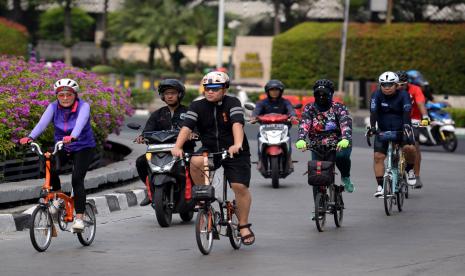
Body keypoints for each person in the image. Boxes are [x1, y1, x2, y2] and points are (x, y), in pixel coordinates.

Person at [171, 71, 255, 246]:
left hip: (235, 150)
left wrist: (237, 144)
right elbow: (187, 127)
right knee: (194, 160)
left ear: (224, 89)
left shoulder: (233, 102)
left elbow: (237, 124)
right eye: (207, 88)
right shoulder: (197, 106)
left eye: (215, 89)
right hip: (210, 148)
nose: (210, 92)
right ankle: (204, 197)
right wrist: (177, 146)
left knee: (239, 186)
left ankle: (243, 224)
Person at [20, 78, 96, 231]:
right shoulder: (53, 107)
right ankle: (58, 196)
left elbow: (81, 122)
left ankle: (79, 219)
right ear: (57, 96)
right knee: (48, 163)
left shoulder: (84, 106)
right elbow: (42, 123)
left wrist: (73, 136)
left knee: (77, 180)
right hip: (61, 145)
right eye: (61, 95)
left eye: (69, 95)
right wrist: (30, 137)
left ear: (75, 95)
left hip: (83, 147)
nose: (65, 98)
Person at [135, 79, 195, 206]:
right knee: (141, 162)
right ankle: (150, 190)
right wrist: (142, 137)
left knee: (195, 164)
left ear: (179, 94)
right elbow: (147, 131)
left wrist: (194, 134)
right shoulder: (157, 114)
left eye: (173, 93)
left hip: (184, 150)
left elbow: (197, 129)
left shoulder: (189, 112)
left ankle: (196, 194)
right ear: (162, 96)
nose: (169, 96)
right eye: (166, 93)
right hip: (160, 151)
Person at [295, 79, 355, 196]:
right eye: (318, 94)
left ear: (331, 94)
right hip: (317, 143)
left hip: (338, 142)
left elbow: (345, 123)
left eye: (324, 94)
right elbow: (304, 123)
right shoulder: (309, 108)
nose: (321, 97)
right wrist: (301, 139)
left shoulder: (338, 107)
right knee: (316, 175)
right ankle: (317, 210)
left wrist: (345, 138)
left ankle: (345, 176)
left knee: (342, 156)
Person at [367, 71, 417, 197]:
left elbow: (407, 111)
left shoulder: (404, 95)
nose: (387, 87)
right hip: (383, 130)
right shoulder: (376, 95)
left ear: (396, 85)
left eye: (390, 84)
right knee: (378, 156)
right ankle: (380, 186)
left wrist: (406, 126)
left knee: (409, 148)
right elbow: (373, 112)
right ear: (380, 86)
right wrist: (373, 127)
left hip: (402, 128)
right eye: (384, 85)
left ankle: (410, 169)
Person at [250, 79, 298, 169]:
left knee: (288, 138)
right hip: (266, 127)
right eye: (272, 90)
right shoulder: (262, 102)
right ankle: (260, 159)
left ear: (281, 91)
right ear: (268, 91)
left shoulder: (285, 102)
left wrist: (293, 116)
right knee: (259, 136)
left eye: (277, 90)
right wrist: (253, 117)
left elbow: (290, 109)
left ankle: (288, 159)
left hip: (282, 127)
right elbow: (256, 110)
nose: (274, 92)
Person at [397, 71, 430, 189]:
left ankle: (416, 175)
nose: (400, 87)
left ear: (408, 83)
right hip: (396, 120)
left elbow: (421, 104)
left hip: (413, 119)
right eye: (398, 84)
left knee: (415, 144)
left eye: (403, 84)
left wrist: (425, 117)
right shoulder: (391, 89)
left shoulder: (415, 89)